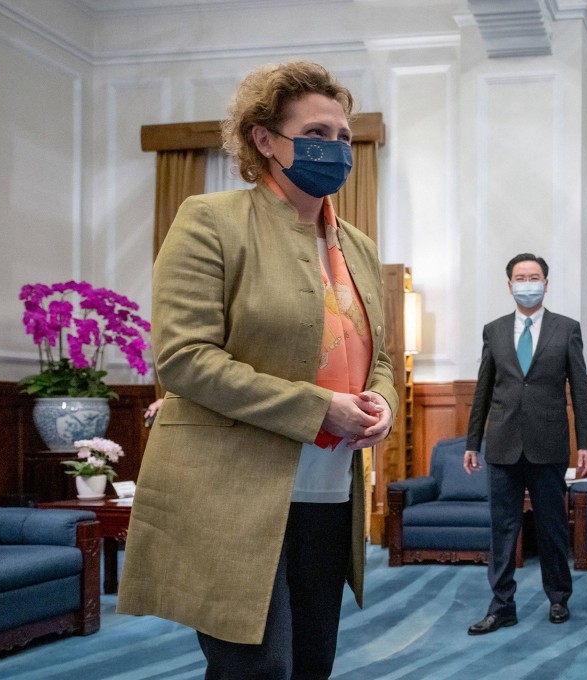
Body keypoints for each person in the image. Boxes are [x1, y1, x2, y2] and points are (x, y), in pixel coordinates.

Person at [117, 60, 398, 680]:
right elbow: (185, 360)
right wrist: (318, 407)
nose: (335, 149)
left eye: (344, 137)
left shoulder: (359, 246)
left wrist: (383, 403)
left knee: (312, 663)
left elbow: (378, 357)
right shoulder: (210, 220)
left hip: (329, 488)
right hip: (234, 491)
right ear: (264, 139)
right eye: (317, 134)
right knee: (255, 668)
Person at [463, 253, 587, 635]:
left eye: (534, 276)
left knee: (553, 527)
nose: (527, 282)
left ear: (546, 283)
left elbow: (581, 390)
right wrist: (473, 442)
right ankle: (501, 605)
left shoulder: (566, 328)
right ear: (509, 285)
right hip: (503, 445)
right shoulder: (494, 330)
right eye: (520, 277)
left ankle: (558, 598)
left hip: (549, 444)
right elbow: (483, 389)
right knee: (501, 530)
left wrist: (586, 441)